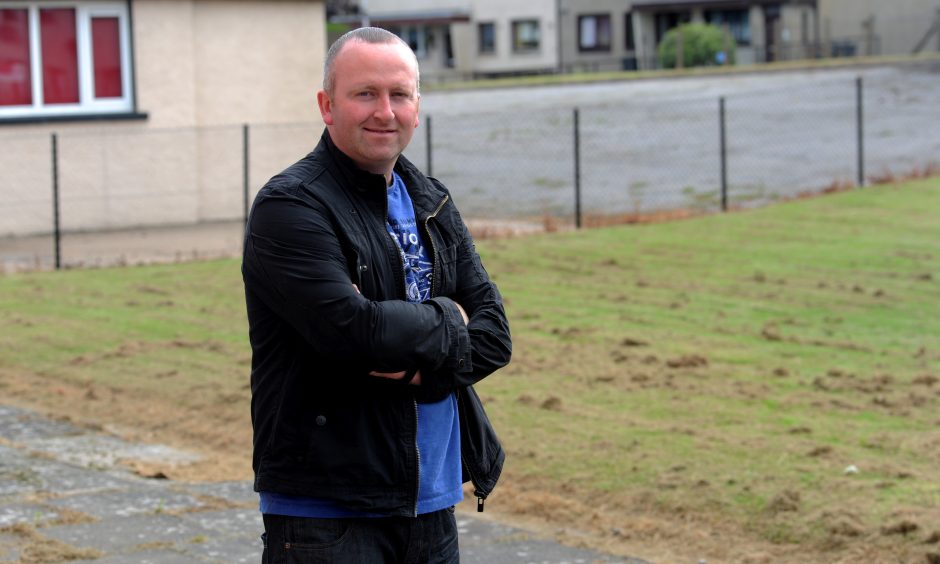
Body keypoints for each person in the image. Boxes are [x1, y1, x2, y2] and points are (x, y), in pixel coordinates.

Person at [241, 26, 512, 563]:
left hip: (431, 504)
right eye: (364, 93)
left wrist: (422, 362)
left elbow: (495, 334)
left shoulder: (431, 199)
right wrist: (448, 317)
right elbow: (355, 333)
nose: (384, 111)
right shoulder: (290, 207)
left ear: (417, 104)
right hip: (327, 514)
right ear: (327, 105)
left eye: (399, 94)